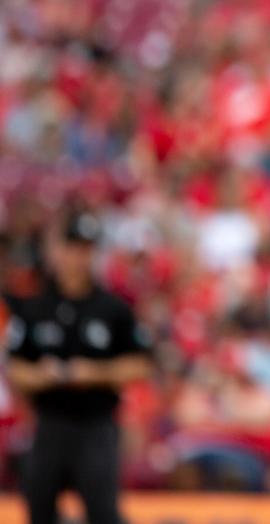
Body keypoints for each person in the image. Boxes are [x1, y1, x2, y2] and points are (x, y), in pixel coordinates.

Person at [4, 210, 154, 524]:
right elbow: (16, 368)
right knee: (39, 507)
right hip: (50, 423)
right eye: (72, 247)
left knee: (102, 512)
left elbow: (140, 364)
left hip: (95, 425)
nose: (78, 257)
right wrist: (42, 376)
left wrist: (95, 373)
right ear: (58, 250)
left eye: (86, 249)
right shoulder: (35, 308)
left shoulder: (113, 309)